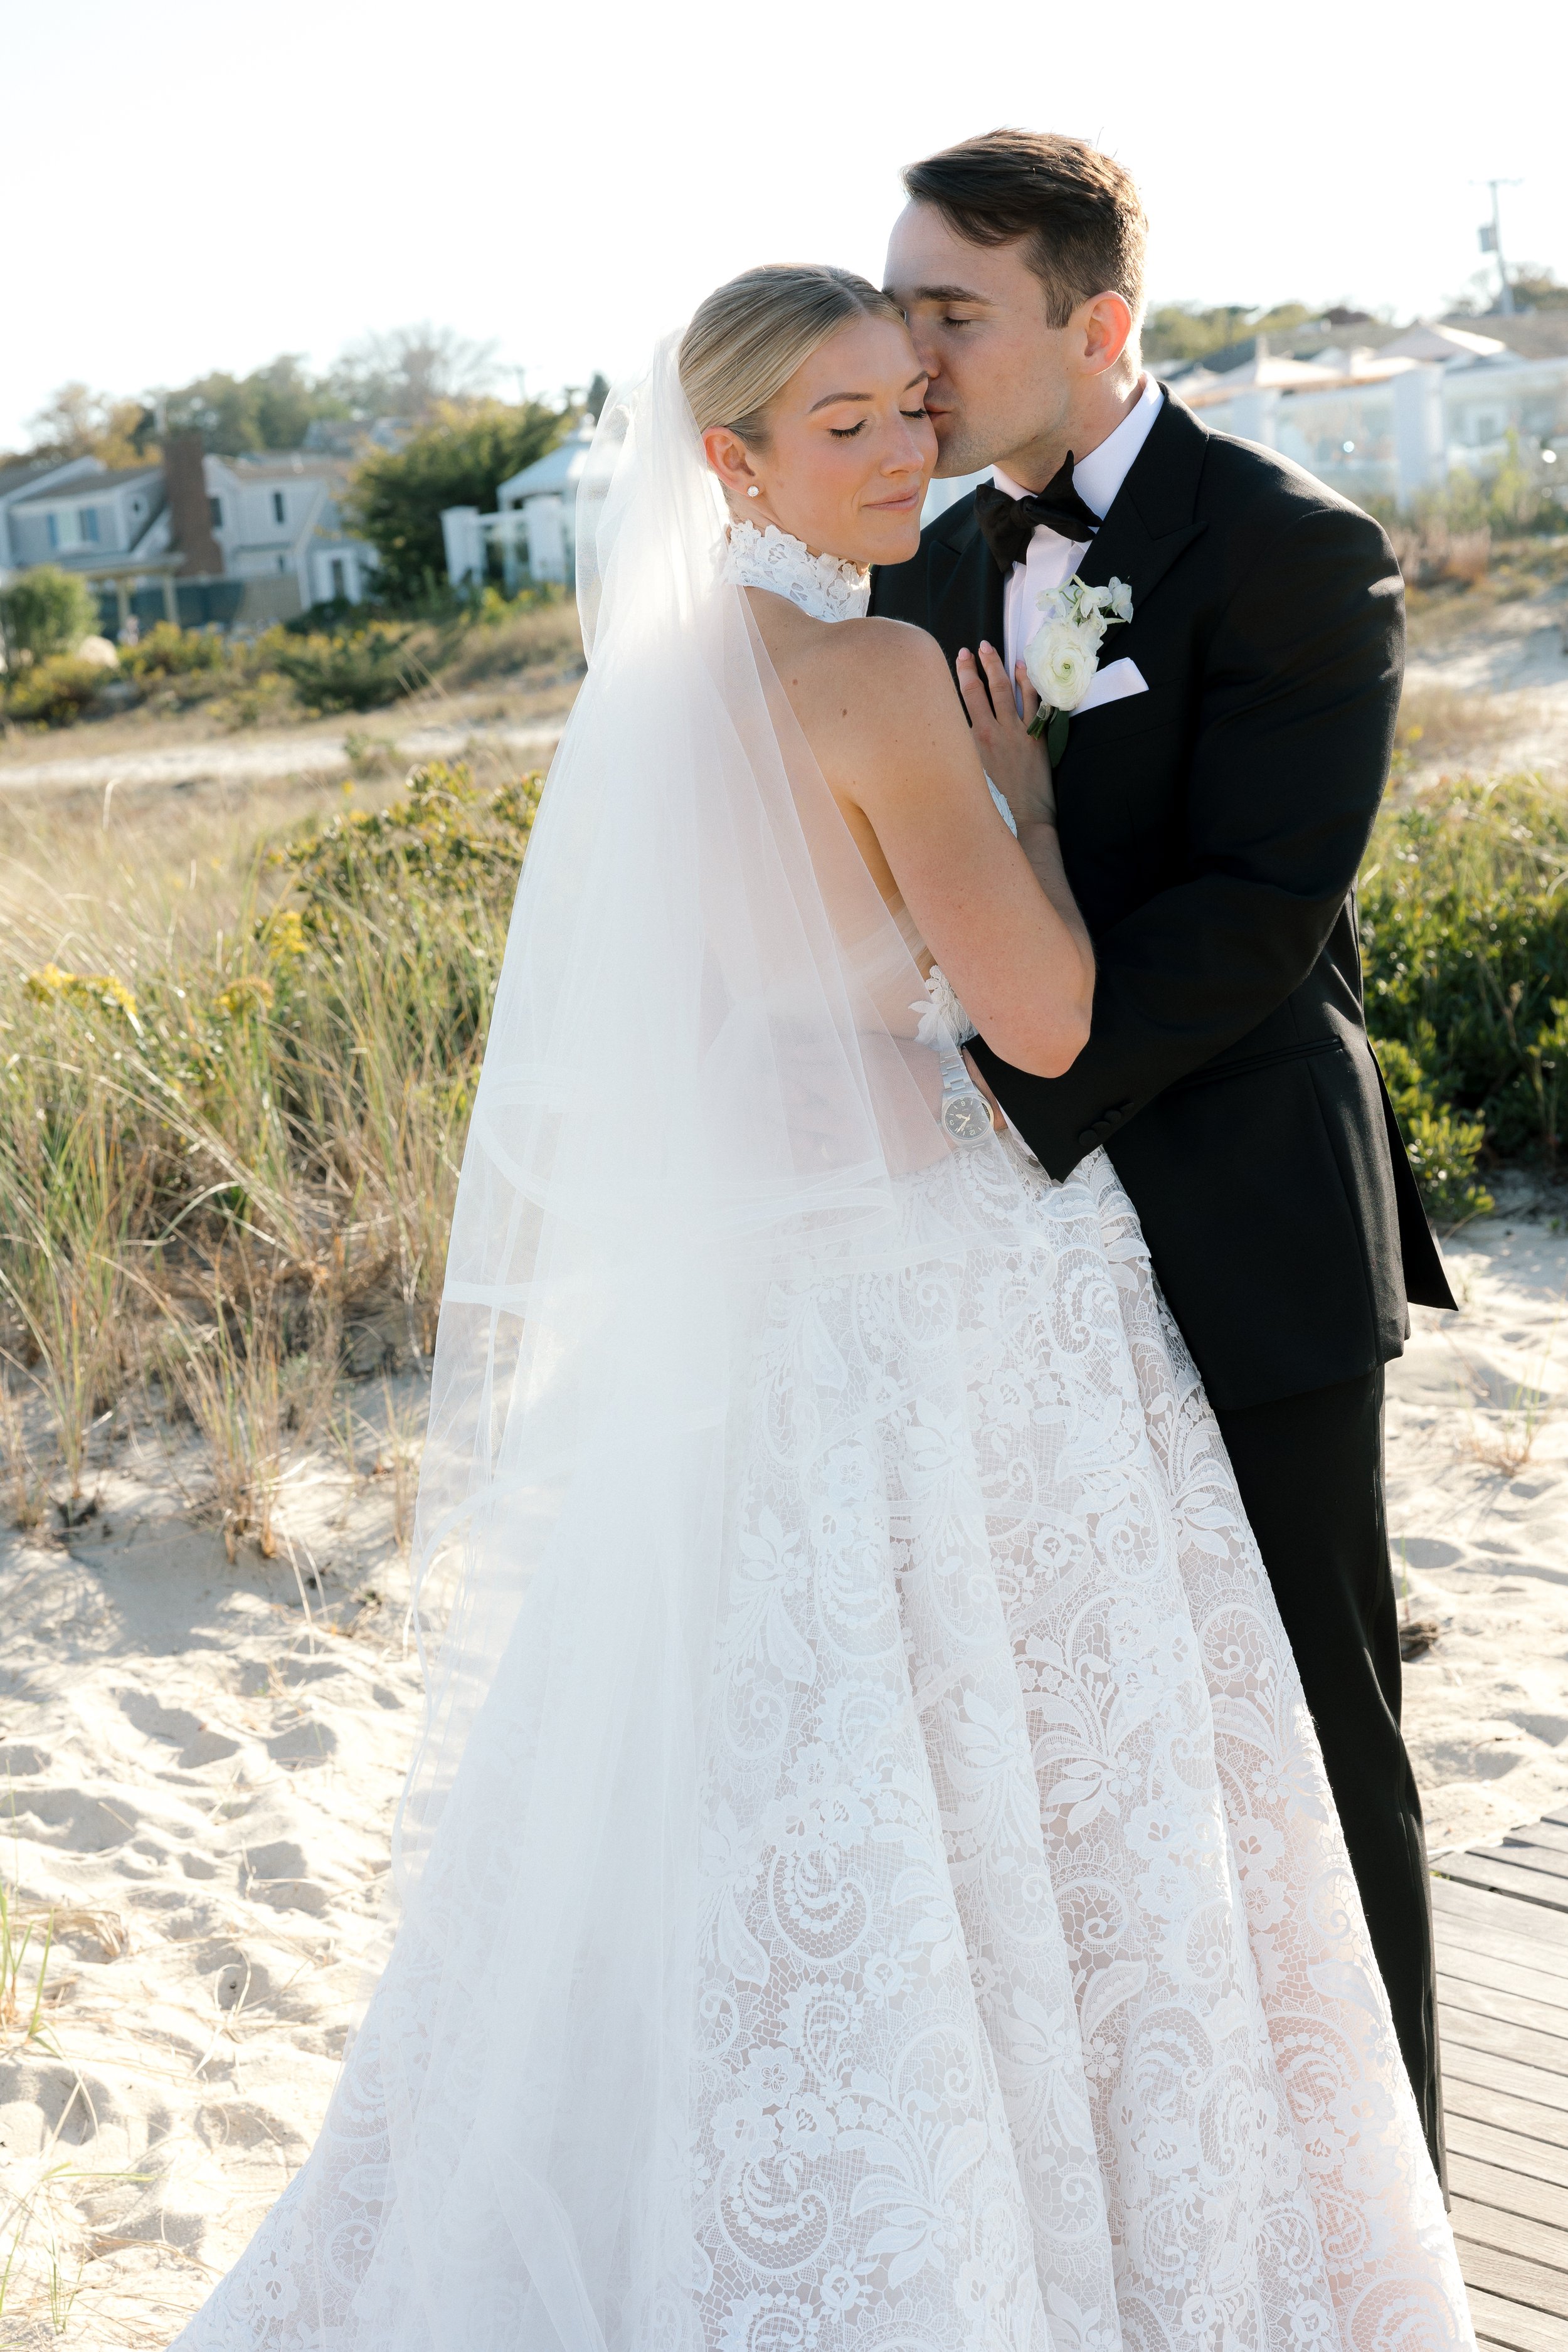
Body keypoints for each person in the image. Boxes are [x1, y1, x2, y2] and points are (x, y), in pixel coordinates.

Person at [171, 267, 1473, 2352]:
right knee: (1037, 1774)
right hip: (959, 1294)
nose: (899, 451)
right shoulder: (869, 682)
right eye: (841, 422)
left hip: (774, 1314)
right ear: (733, 460)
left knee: (798, 1761)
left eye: (905, 407)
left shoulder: (655, 694)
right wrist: (1031, 810)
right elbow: (1043, 1021)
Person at [871, 128, 1456, 2186]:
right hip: (1014, 1258)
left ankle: (1400, 2223)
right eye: (900, 299)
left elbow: (1257, 914)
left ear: (1094, 324)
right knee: (1102, 1729)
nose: (911, 350)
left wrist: (1013, 1095)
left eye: (954, 309)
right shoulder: (925, 565)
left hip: (1242, 1213)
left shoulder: (1299, 547)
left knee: (1317, 1718)